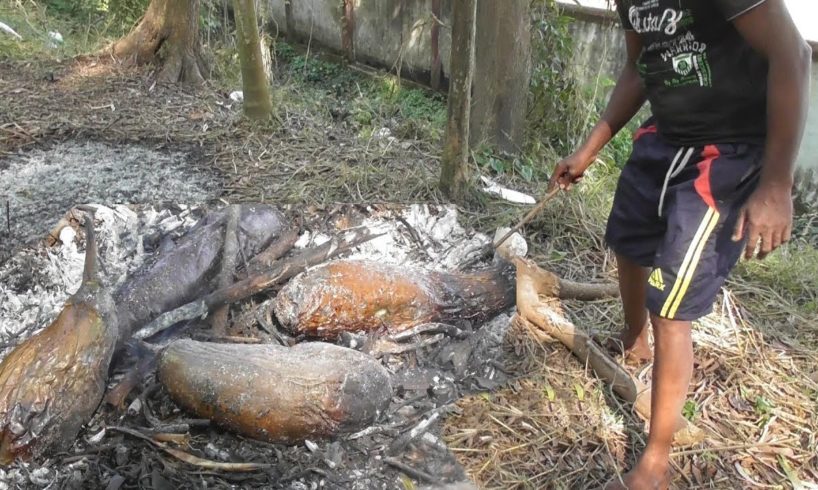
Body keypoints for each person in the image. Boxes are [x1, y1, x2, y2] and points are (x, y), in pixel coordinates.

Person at [549, 0, 811, 488]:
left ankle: (656, 462)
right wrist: (587, 150)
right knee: (626, 241)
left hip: (726, 152)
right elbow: (639, 67)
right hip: (665, 138)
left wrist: (776, 185)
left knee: (671, 302)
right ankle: (634, 344)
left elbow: (792, 55)